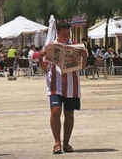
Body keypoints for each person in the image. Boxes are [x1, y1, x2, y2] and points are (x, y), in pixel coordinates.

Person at [39, 21, 87, 155]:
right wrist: (40, 58)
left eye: (67, 34)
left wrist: (84, 56)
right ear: (58, 33)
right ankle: (57, 142)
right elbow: (44, 68)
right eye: (63, 34)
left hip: (72, 85)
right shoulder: (50, 47)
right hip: (55, 84)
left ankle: (66, 142)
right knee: (55, 110)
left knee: (69, 113)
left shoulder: (76, 46)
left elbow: (82, 67)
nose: (66, 36)